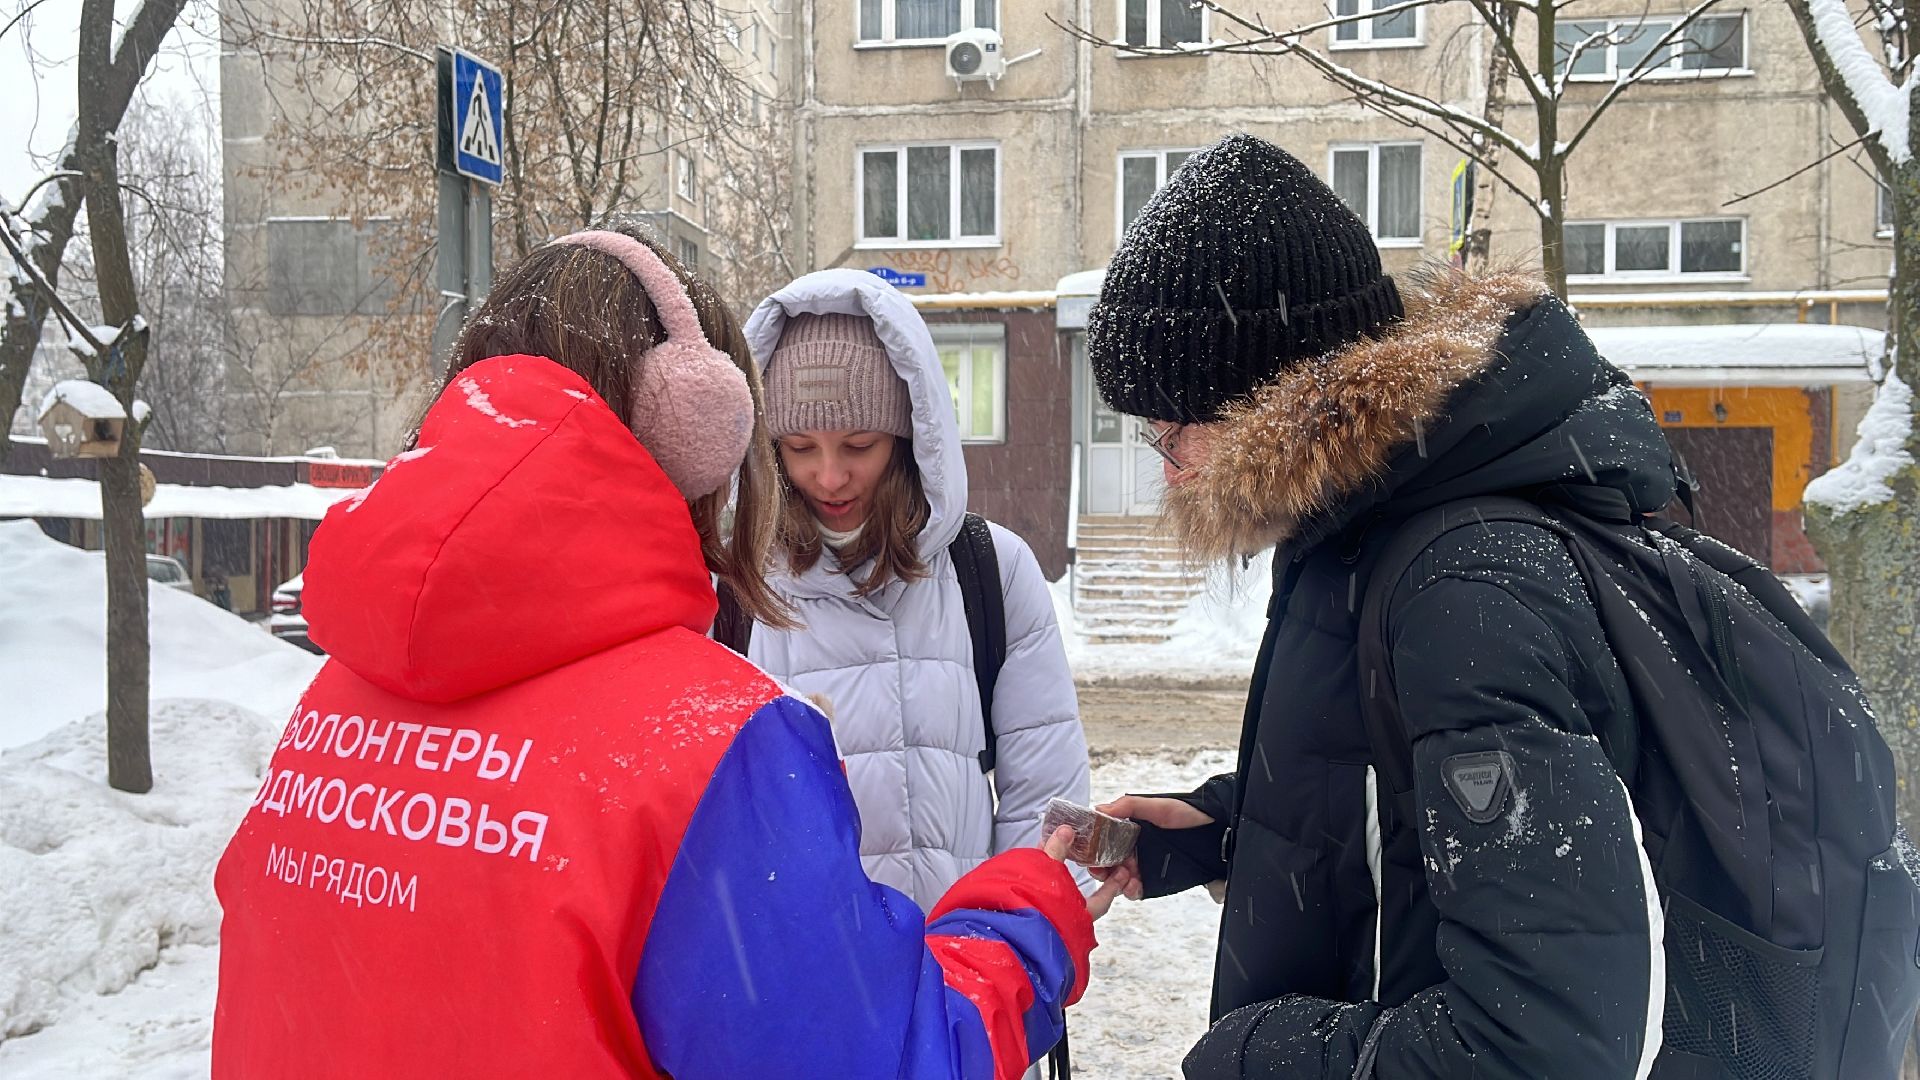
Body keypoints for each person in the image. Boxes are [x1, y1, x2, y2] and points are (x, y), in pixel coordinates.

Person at [211, 226, 1127, 1079]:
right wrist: (1024, 925)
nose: (828, 472)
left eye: (857, 442)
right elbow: (880, 1057)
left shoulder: (331, 709)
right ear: (700, 429)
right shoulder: (709, 739)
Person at [1085, 134, 1678, 1077]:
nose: (1168, 470)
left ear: (1260, 406)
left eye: (1170, 432)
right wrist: (1222, 831)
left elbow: (1545, 1038)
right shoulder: (1358, 535)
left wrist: (1255, 1058)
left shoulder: (1461, 585)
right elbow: (1396, 804)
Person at [734, 268, 1093, 910]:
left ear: (907, 438)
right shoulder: (738, 588)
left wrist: (1014, 937)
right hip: (803, 957)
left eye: (859, 444)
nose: (830, 475)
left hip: (961, 949)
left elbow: (1042, 792)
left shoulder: (992, 569)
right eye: (800, 447)